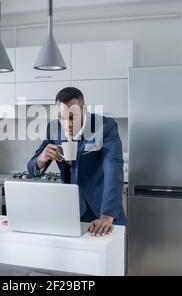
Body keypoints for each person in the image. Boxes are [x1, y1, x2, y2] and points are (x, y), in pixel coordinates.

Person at [27, 87, 126, 237]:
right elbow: (32, 168)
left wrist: (107, 216)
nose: (67, 124)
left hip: (103, 213)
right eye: (61, 117)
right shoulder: (53, 129)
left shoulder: (105, 127)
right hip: (72, 215)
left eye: (72, 117)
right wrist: (42, 158)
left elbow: (113, 169)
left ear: (84, 109)